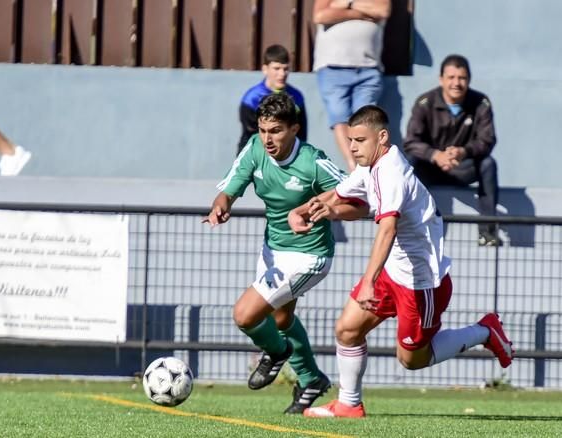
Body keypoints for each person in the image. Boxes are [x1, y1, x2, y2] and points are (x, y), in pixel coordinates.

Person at [288, 105, 514, 418]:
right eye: (350, 140)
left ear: (382, 137)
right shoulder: (369, 167)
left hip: (420, 284)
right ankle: (349, 404)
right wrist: (307, 209)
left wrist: (368, 281)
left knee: (411, 360)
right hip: (392, 272)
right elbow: (340, 196)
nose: (352, 146)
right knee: (347, 329)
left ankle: (485, 331)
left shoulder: (391, 172)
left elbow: (388, 228)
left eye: (359, 140)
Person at [204, 93, 360, 414]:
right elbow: (229, 189)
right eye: (263, 130)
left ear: (294, 129)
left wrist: (323, 206)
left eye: (275, 130)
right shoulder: (254, 148)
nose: (267, 138)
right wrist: (221, 207)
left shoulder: (312, 162)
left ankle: (277, 352)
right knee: (281, 316)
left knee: (245, 315)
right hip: (273, 250)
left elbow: (356, 188)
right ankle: (311, 379)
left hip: (309, 256)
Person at [403, 54, 501, 246]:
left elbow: (487, 140)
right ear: (441, 79)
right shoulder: (425, 102)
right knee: (409, 162)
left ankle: (487, 233)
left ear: (469, 80)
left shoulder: (481, 103)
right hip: (429, 169)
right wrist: (435, 155)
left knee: (488, 164)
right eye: (451, 78)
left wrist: (463, 152)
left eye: (462, 78)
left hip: (461, 167)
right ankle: (411, 229)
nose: (456, 83)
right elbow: (411, 142)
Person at [312, 0, 391, 172]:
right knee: (339, 117)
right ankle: (355, 167)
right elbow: (320, 15)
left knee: (366, 118)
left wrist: (344, 6)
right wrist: (360, 12)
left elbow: (383, 11)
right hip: (332, 66)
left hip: (368, 67)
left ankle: (368, 166)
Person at [237, 44, 307, 154]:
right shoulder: (252, 98)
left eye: (286, 69)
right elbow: (252, 136)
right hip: (255, 156)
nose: (282, 74)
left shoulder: (296, 97)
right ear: (265, 69)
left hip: (287, 158)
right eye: (277, 68)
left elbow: (301, 134)